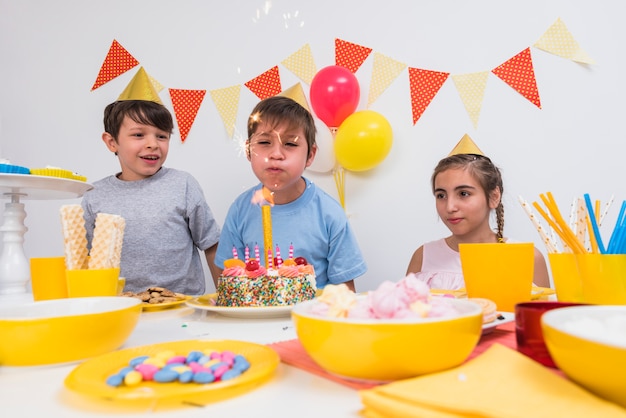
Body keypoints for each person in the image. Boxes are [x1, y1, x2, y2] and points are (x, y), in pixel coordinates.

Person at [82, 81, 221, 295]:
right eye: (139, 135)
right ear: (112, 142)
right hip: (121, 309)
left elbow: (211, 244)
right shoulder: (95, 196)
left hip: (183, 307)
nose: (153, 144)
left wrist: (229, 298)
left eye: (162, 136)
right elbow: (88, 262)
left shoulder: (182, 184)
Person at [215, 96, 366, 291]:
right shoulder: (240, 210)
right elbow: (229, 278)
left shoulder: (328, 213)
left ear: (310, 155)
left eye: (290, 144)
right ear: (248, 150)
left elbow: (345, 291)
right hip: (254, 319)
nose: (276, 154)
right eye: (264, 142)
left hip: (310, 319)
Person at [406, 136, 550, 289]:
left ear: (494, 197)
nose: (450, 207)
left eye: (463, 194)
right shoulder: (423, 257)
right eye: (441, 195)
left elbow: (538, 312)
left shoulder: (529, 259)